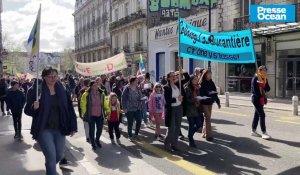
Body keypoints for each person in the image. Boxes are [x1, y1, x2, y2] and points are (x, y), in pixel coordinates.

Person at [25, 67, 77, 175]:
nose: (53, 78)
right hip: (44, 128)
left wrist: (72, 126)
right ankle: (51, 168)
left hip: (60, 128)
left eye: (55, 76)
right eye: (50, 76)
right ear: (44, 78)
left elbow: (69, 109)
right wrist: (34, 107)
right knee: (52, 157)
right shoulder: (37, 91)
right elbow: (27, 110)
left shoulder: (62, 89)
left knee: (58, 155)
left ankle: (49, 165)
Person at [81, 80, 106, 150]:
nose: (96, 86)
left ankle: (97, 140)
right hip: (91, 115)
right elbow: (83, 104)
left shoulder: (101, 93)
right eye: (94, 85)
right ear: (91, 86)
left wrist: (107, 110)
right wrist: (84, 112)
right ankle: (93, 143)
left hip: (99, 115)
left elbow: (104, 103)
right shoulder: (86, 94)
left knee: (100, 129)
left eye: (96, 85)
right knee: (92, 130)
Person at [163, 71, 184, 151]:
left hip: (179, 108)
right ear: (168, 78)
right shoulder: (166, 87)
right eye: (172, 76)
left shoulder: (177, 85)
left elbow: (187, 78)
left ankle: (174, 144)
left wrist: (181, 98)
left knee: (178, 127)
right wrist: (176, 99)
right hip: (171, 109)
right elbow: (168, 100)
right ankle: (167, 144)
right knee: (171, 128)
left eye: (174, 75)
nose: (174, 77)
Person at [199, 69, 221, 141]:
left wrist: (218, 102)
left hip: (210, 102)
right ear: (205, 75)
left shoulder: (212, 83)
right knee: (208, 118)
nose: (210, 75)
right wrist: (208, 93)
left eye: (211, 74)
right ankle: (209, 135)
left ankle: (204, 132)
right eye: (209, 74)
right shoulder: (202, 83)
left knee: (207, 118)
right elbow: (201, 93)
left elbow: (215, 93)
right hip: (204, 102)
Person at [251, 65, 271, 140]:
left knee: (257, 114)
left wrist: (264, 84)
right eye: (264, 70)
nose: (266, 72)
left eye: (266, 70)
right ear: (260, 70)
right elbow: (255, 91)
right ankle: (264, 132)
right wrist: (259, 84)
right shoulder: (255, 78)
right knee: (262, 114)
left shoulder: (264, 78)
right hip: (256, 99)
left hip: (261, 98)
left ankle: (253, 130)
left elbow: (268, 88)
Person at [121, 76, 142, 142]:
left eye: (137, 80)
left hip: (137, 108)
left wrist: (141, 99)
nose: (137, 82)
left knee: (139, 120)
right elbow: (123, 98)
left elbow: (140, 96)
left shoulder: (138, 88)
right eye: (136, 80)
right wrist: (124, 108)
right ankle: (130, 135)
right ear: (132, 81)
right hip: (129, 108)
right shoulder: (127, 88)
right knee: (130, 122)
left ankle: (136, 134)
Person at [184, 75, 202, 147]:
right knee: (191, 124)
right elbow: (187, 100)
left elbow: (198, 96)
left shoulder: (197, 87)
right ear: (191, 80)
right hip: (190, 109)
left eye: (197, 79)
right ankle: (191, 139)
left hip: (197, 108)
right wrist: (195, 99)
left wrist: (200, 98)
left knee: (198, 124)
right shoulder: (187, 88)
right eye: (195, 79)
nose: (196, 81)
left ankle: (189, 135)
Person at [78, 78, 91, 142]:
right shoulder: (82, 90)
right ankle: (88, 137)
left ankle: (90, 135)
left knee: (90, 124)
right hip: (85, 111)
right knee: (86, 124)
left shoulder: (92, 90)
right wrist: (81, 112)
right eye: (89, 82)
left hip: (91, 110)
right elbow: (80, 102)